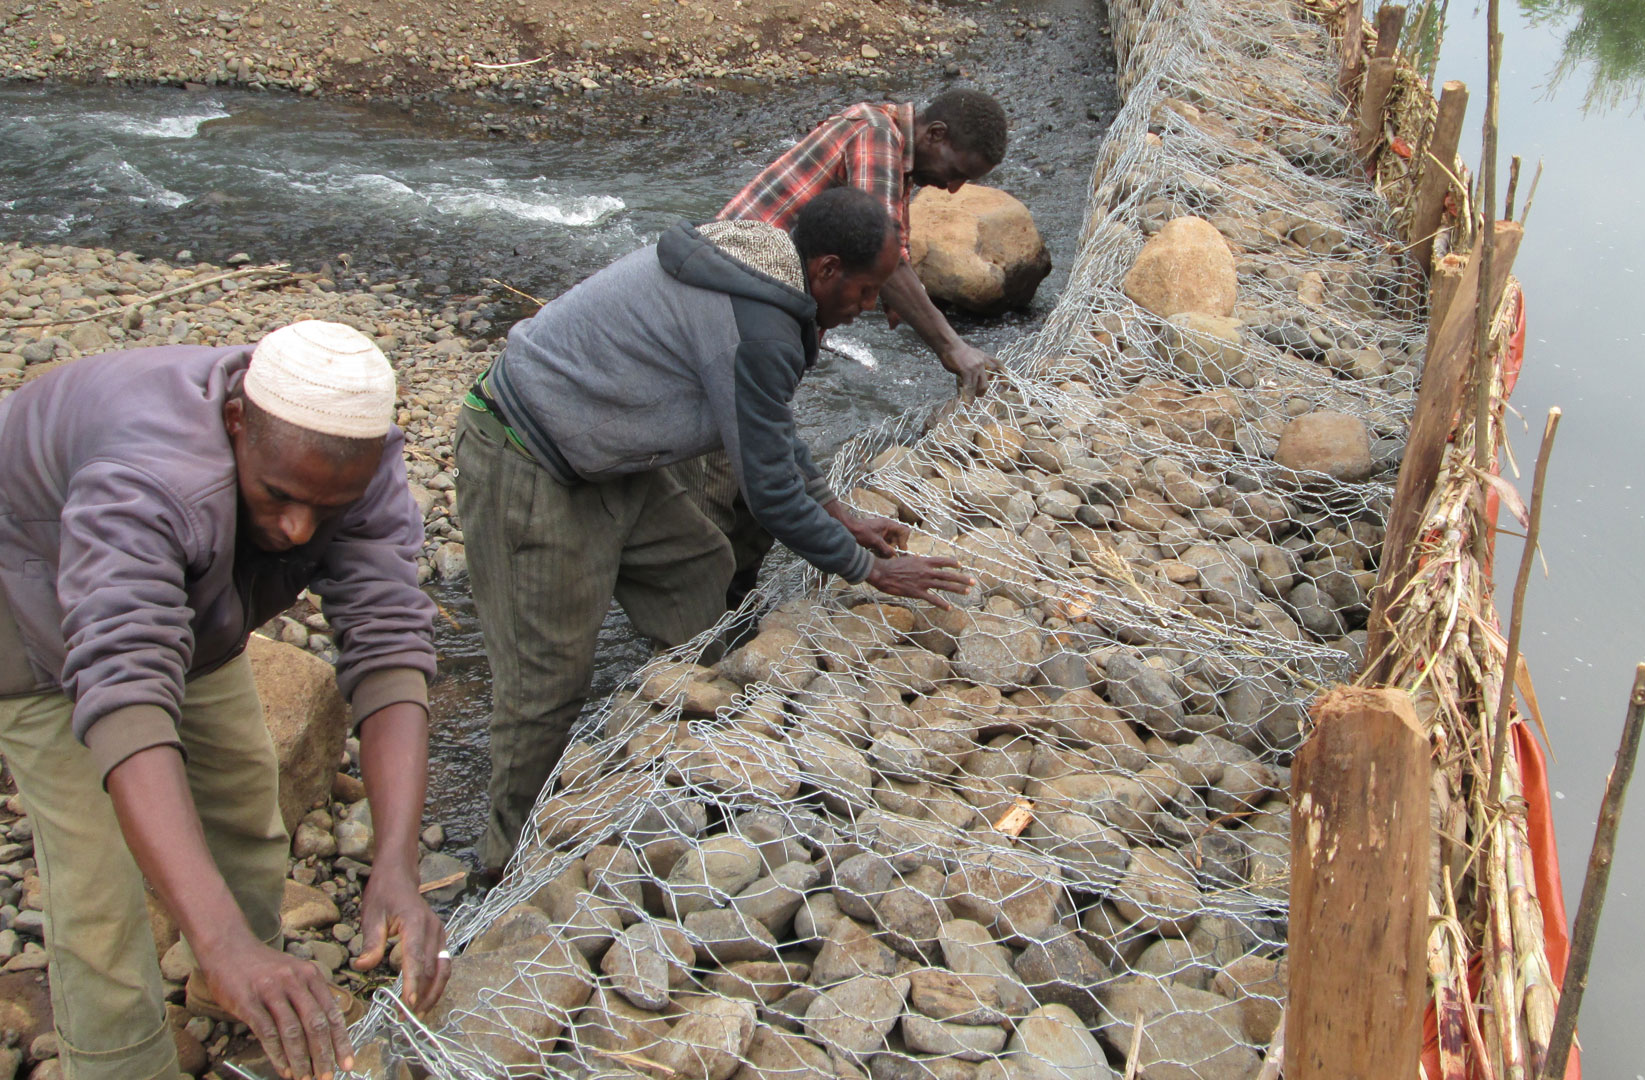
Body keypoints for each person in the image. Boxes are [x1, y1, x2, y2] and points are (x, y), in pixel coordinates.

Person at [459, 188, 973, 875]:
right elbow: (767, 492)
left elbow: (767, 432)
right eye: (868, 287)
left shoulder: (771, 282)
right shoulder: (758, 326)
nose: (876, 305)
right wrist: (867, 568)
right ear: (823, 271)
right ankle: (508, 866)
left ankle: (686, 749)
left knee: (699, 569)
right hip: (530, 452)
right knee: (546, 684)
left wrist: (840, 512)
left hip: (613, 456)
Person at [0, 321, 450, 1080]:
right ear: (237, 421)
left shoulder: (351, 464)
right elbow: (125, 697)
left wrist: (397, 865)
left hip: (191, 598)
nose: (298, 528)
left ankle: (244, 990)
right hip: (27, 600)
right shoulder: (147, 475)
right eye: (279, 494)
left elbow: (390, 649)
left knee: (244, 797)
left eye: (327, 507)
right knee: (98, 882)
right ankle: (122, 1062)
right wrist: (218, 935)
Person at [706, 87, 1010, 604]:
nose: (956, 189)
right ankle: (701, 632)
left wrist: (839, 518)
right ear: (935, 135)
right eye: (958, 170)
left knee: (758, 467)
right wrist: (950, 346)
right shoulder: (876, 135)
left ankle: (733, 603)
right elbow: (877, 253)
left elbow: (885, 255)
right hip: (732, 318)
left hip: (763, 315)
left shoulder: (892, 148)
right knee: (722, 481)